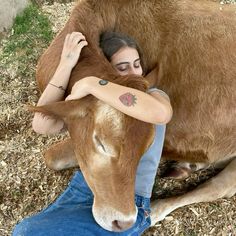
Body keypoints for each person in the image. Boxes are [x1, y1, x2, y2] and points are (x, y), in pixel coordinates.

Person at [13, 31, 172, 235]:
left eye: (137, 64)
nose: (134, 73)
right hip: (84, 187)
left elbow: (161, 113)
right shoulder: (95, 105)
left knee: (25, 232)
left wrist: (92, 83)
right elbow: (42, 125)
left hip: (129, 203)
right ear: (107, 71)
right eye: (122, 67)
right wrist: (66, 64)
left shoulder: (152, 96)